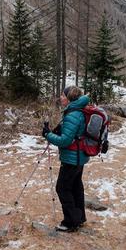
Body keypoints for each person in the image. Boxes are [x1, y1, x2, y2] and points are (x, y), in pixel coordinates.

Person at [42, 86, 90, 232]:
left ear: (69, 98)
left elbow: (65, 141)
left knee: (62, 188)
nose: (60, 98)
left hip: (72, 158)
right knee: (75, 187)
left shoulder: (73, 114)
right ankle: (79, 218)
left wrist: (47, 135)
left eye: (62, 95)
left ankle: (70, 222)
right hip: (79, 157)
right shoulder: (78, 111)